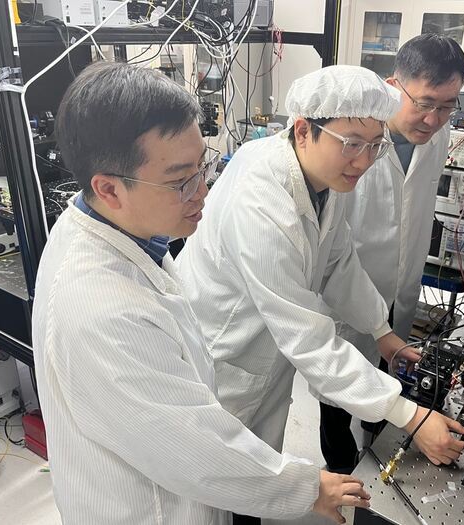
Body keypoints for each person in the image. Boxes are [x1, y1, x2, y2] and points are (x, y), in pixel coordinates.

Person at [31, 61, 373, 525]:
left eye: (202, 167)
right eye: (181, 180)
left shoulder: (124, 231)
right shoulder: (99, 308)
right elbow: (191, 447)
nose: (203, 192)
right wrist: (307, 486)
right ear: (109, 188)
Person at [176, 65, 464, 524]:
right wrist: (408, 415)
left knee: (253, 477)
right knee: (210, 489)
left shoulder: (322, 178)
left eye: (375, 146)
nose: (364, 160)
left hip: (262, 355)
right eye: (352, 143)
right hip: (222, 358)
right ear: (303, 130)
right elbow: (308, 339)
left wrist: (381, 331)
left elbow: (337, 260)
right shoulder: (264, 201)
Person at [319, 34, 464, 473]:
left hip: (401, 288)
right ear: (392, 85)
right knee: (339, 394)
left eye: (447, 105)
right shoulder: (354, 138)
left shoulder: (436, 136)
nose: (434, 118)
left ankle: (377, 448)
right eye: (424, 102)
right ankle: (342, 467)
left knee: (391, 378)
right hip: (348, 290)